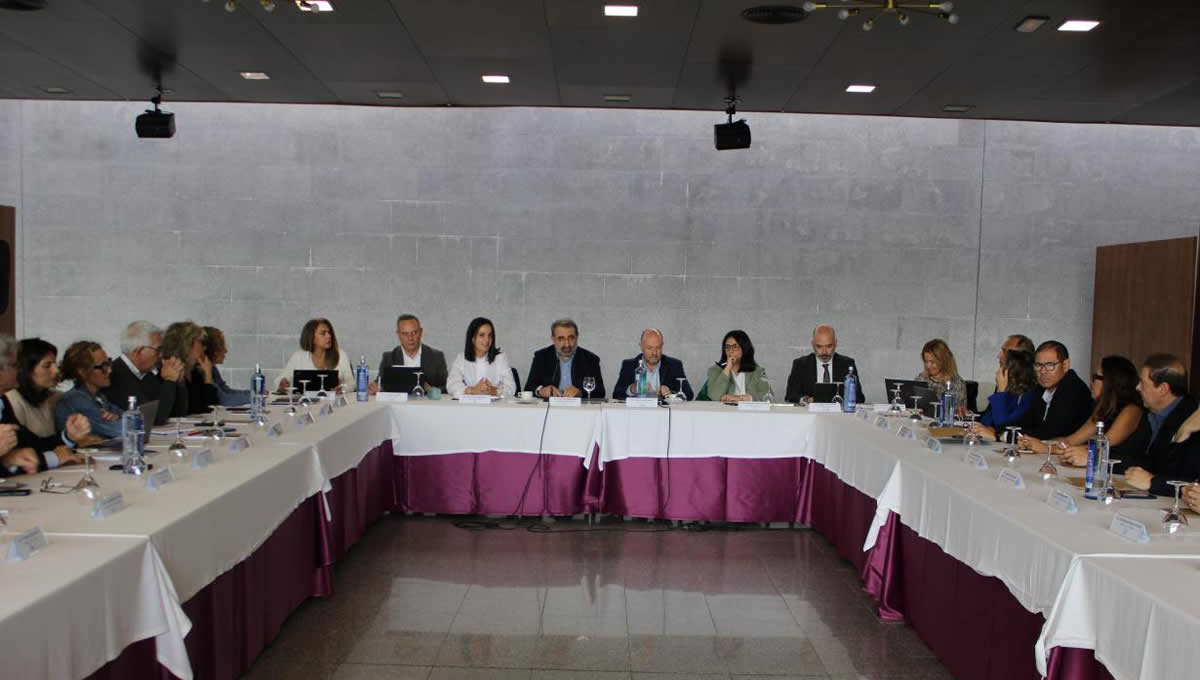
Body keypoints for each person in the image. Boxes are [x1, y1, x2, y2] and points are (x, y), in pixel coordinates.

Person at [1025, 355, 1149, 461]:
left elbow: (1103, 446)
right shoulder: (1104, 409)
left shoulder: (1132, 410)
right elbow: (1072, 440)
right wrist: (1039, 443)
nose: (1091, 382)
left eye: (1096, 377)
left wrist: (1047, 448)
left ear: (1111, 382)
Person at [0, 335, 88, 477]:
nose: (20, 371)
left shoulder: (2, 401)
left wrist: (68, 437)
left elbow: (29, 443)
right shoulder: (12, 398)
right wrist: (52, 458)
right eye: (16, 366)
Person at [1121, 354, 1199, 496]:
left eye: (1143, 383)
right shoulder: (1149, 413)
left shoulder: (1191, 420)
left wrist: (1153, 482)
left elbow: (1189, 480)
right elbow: (1136, 457)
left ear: (1163, 389)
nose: (1137, 387)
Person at [105, 320, 186, 426]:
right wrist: (169, 381)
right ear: (139, 351)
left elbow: (176, 413)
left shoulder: (146, 375)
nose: (161, 355)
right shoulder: (116, 375)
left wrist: (178, 381)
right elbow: (154, 419)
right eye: (158, 349)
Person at [1015, 340, 1093, 442]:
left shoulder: (1073, 389)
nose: (1042, 371)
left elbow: (1050, 433)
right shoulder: (1040, 389)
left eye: (1050, 365)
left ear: (1065, 365)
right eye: (1038, 365)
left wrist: (1005, 436)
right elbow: (1025, 423)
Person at [55, 341, 125, 440]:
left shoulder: (98, 396)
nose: (109, 370)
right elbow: (120, 430)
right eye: (103, 366)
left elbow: (128, 416)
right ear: (83, 372)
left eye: (109, 363)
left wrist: (118, 417)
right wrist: (123, 420)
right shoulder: (76, 400)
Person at [524, 319, 606, 399]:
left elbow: (600, 392)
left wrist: (580, 392)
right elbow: (529, 387)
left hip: (579, 408)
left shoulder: (590, 359)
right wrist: (541, 391)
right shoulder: (541, 357)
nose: (567, 344)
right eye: (561, 338)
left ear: (577, 338)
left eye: (571, 338)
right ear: (553, 339)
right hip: (549, 407)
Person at [784, 324, 864, 404]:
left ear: (835, 344)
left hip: (839, 414)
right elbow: (790, 396)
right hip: (810, 414)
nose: (824, 352)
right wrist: (807, 400)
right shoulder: (800, 364)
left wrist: (841, 401)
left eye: (829, 346)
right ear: (813, 345)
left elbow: (859, 397)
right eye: (819, 347)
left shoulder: (847, 364)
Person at [5, 338, 63, 438]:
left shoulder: (54, 397)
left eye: (55, 364)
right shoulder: (12, 400)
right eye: (47, 365)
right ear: (26, 368)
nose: (56, 371)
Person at [612, 328, 693, 400]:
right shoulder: (629, 365)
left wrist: (670, 393)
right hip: (637, 413)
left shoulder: (674, 365)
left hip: (664, 413)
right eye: (649, 348)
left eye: (658, 348)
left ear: (662, 346)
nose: (654, 352)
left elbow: (689, 394)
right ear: (641, 347)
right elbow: (616, 395)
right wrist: (632, 389)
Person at [447, 317, 517, 398]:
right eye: (482, 335)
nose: (487, 340)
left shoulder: (500, 358)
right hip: (469, 407)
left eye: (490, 335)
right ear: (472, 338)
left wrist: (494, 390)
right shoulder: (461, 358)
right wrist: (472, 390)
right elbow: (451, 384)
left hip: (495, 407)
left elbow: (511, 388)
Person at [277, 318, 353, 392]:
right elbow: (281, 379)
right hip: (305, 403)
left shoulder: (341, 355)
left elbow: (351, 383)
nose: (329, 336)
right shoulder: (298, 356)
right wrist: (282, 384)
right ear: (311, 337)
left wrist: (343, 388)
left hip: (334, 402)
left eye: (329, 333)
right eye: (323, 333)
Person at [974, 349, 1037, 438]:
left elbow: (1003, 426)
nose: (997, 372)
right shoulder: (1011, 392)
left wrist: (1001, 391)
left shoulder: (1028, 396)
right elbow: (986, 420)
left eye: (1002, 367)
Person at [378, 314, 448, 393]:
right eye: (405, 334)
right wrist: (376, 388)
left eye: (414, 333)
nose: (410, 338)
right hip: (398, 404)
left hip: (426, 403)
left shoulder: (436, 357)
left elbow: (446, 387)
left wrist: (430, 390)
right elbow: (380, 384)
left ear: (421, 332)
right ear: (398, 334)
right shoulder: (389, 358)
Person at [697, 330, 772, 402]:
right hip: (725, 413)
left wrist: (740, 398)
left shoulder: (758, 371)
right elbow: (715, 396)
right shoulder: (714, 370)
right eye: (727, 347)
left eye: (735, 346)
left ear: (744, 348)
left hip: (751, 413)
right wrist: (728, 367)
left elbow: (767, 396)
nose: (730, 350)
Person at [162, 321, 214, 416]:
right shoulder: (169, 370)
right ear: (187, 344)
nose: (204, 348)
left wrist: (208, 375)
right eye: (200, 342)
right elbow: (186, 410)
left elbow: (210, 406)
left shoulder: (193, 372)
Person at [203, 327, 250, 407]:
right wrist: (257, 397)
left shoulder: (212, 368)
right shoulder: (202, 370)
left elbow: (227, 391)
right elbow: (223, 400)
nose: (225, 350)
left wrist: (255, 393)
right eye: (222, 345)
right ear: (212, 349)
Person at [916, 338, 967, 409]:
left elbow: (957, 414)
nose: (928, 366)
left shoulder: (957, 384)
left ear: (943, 361)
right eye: (926, 361)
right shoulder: (921, 379)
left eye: (932, 362)